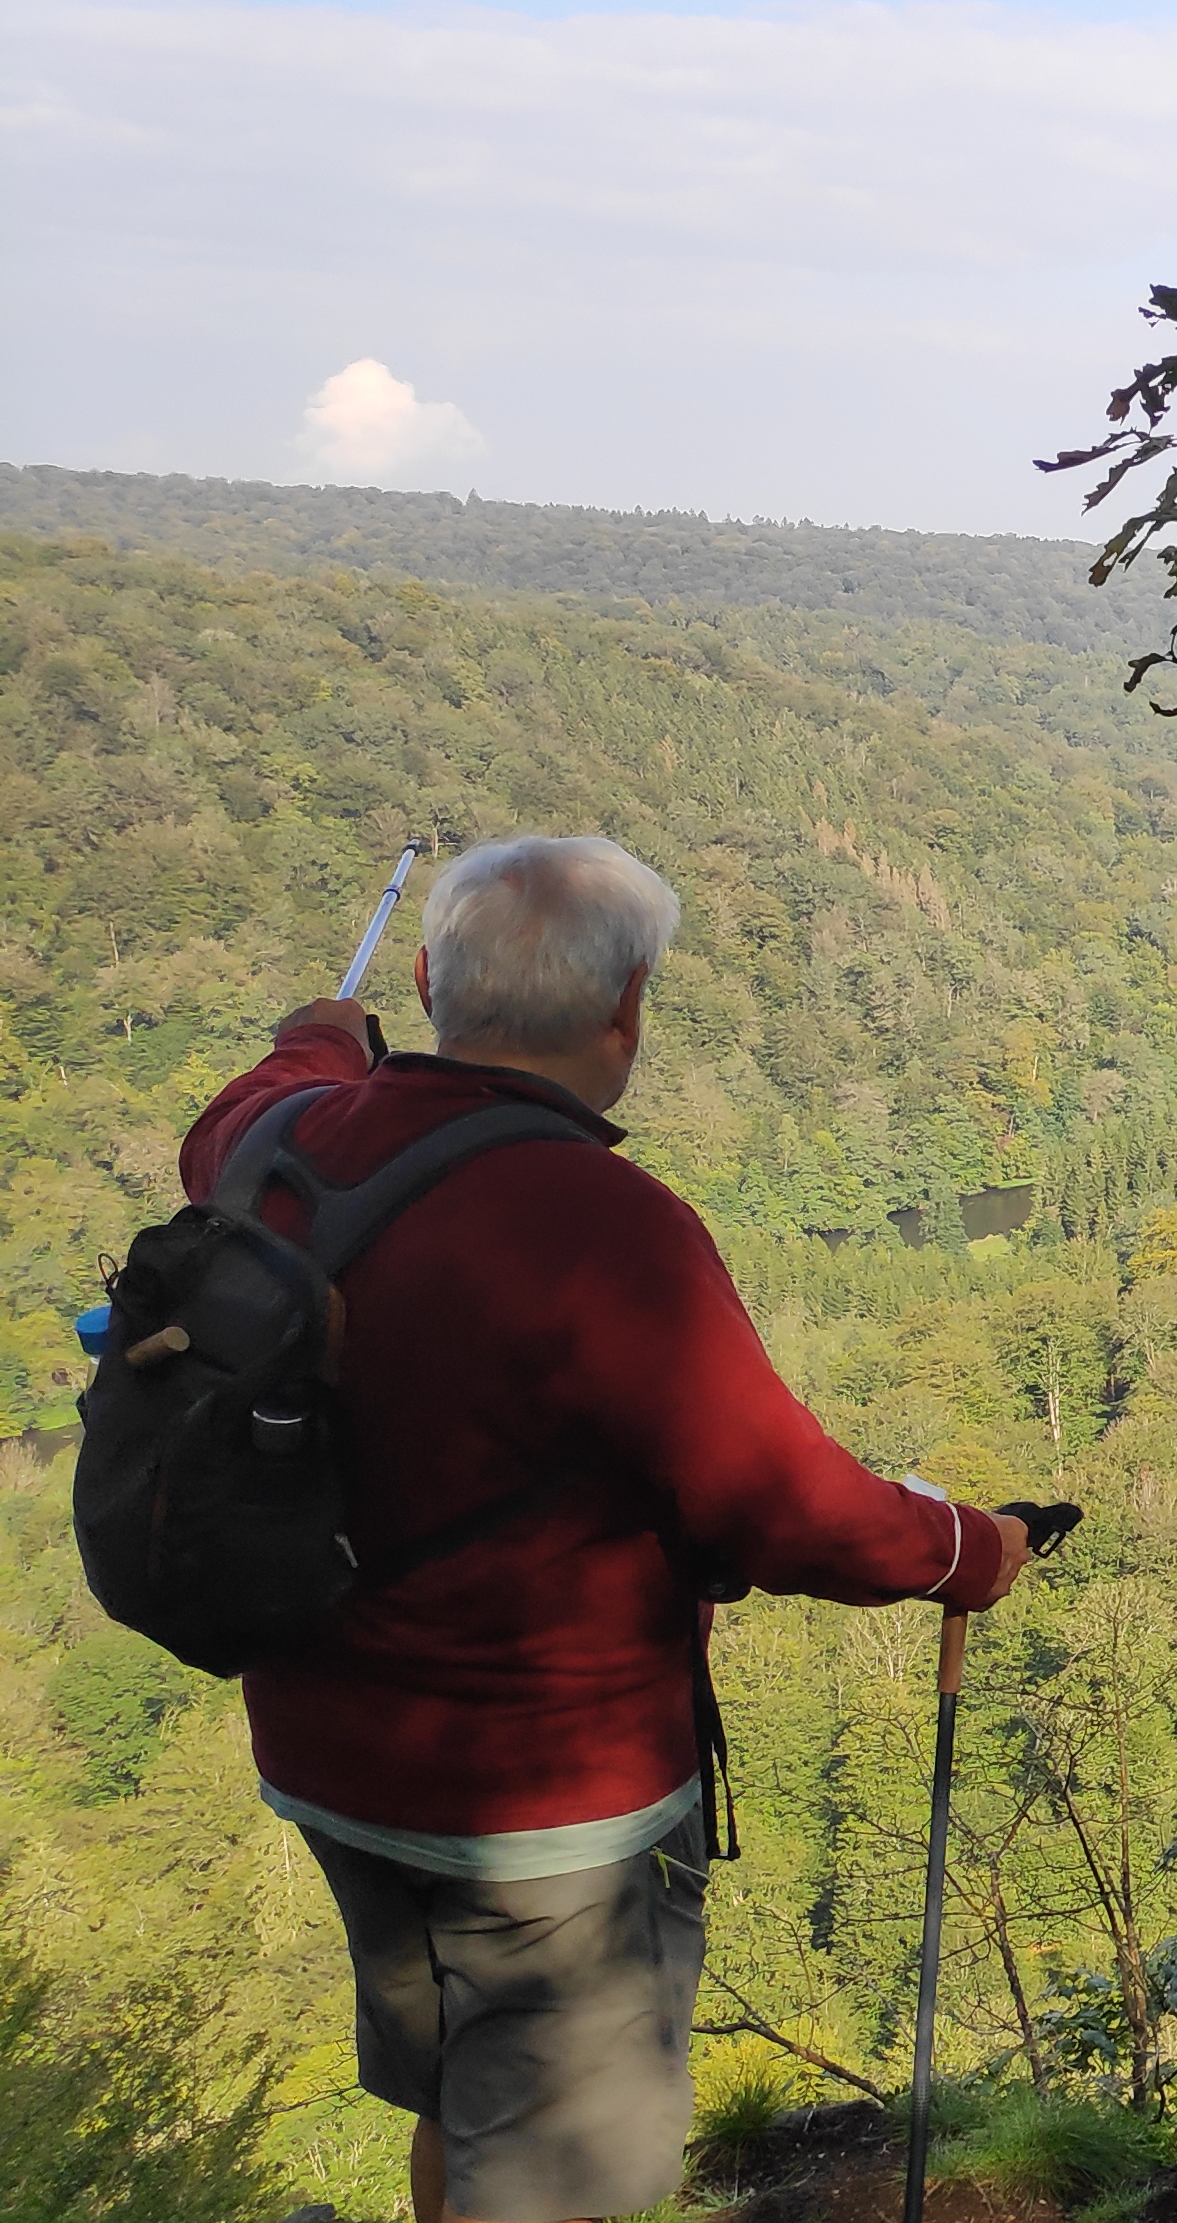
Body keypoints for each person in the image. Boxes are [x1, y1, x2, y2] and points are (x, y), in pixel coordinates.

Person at [178, 834, 1037, 2223]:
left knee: (462, 2098)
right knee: (554, 2175)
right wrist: (968, 1551)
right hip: (544, 1821)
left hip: (332, 1759)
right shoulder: (604, 1226)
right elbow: (791, 1513)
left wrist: (316, 1038)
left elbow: (247, 1106)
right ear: (629, 1006)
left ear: (426, 983)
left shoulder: (273, 1142)